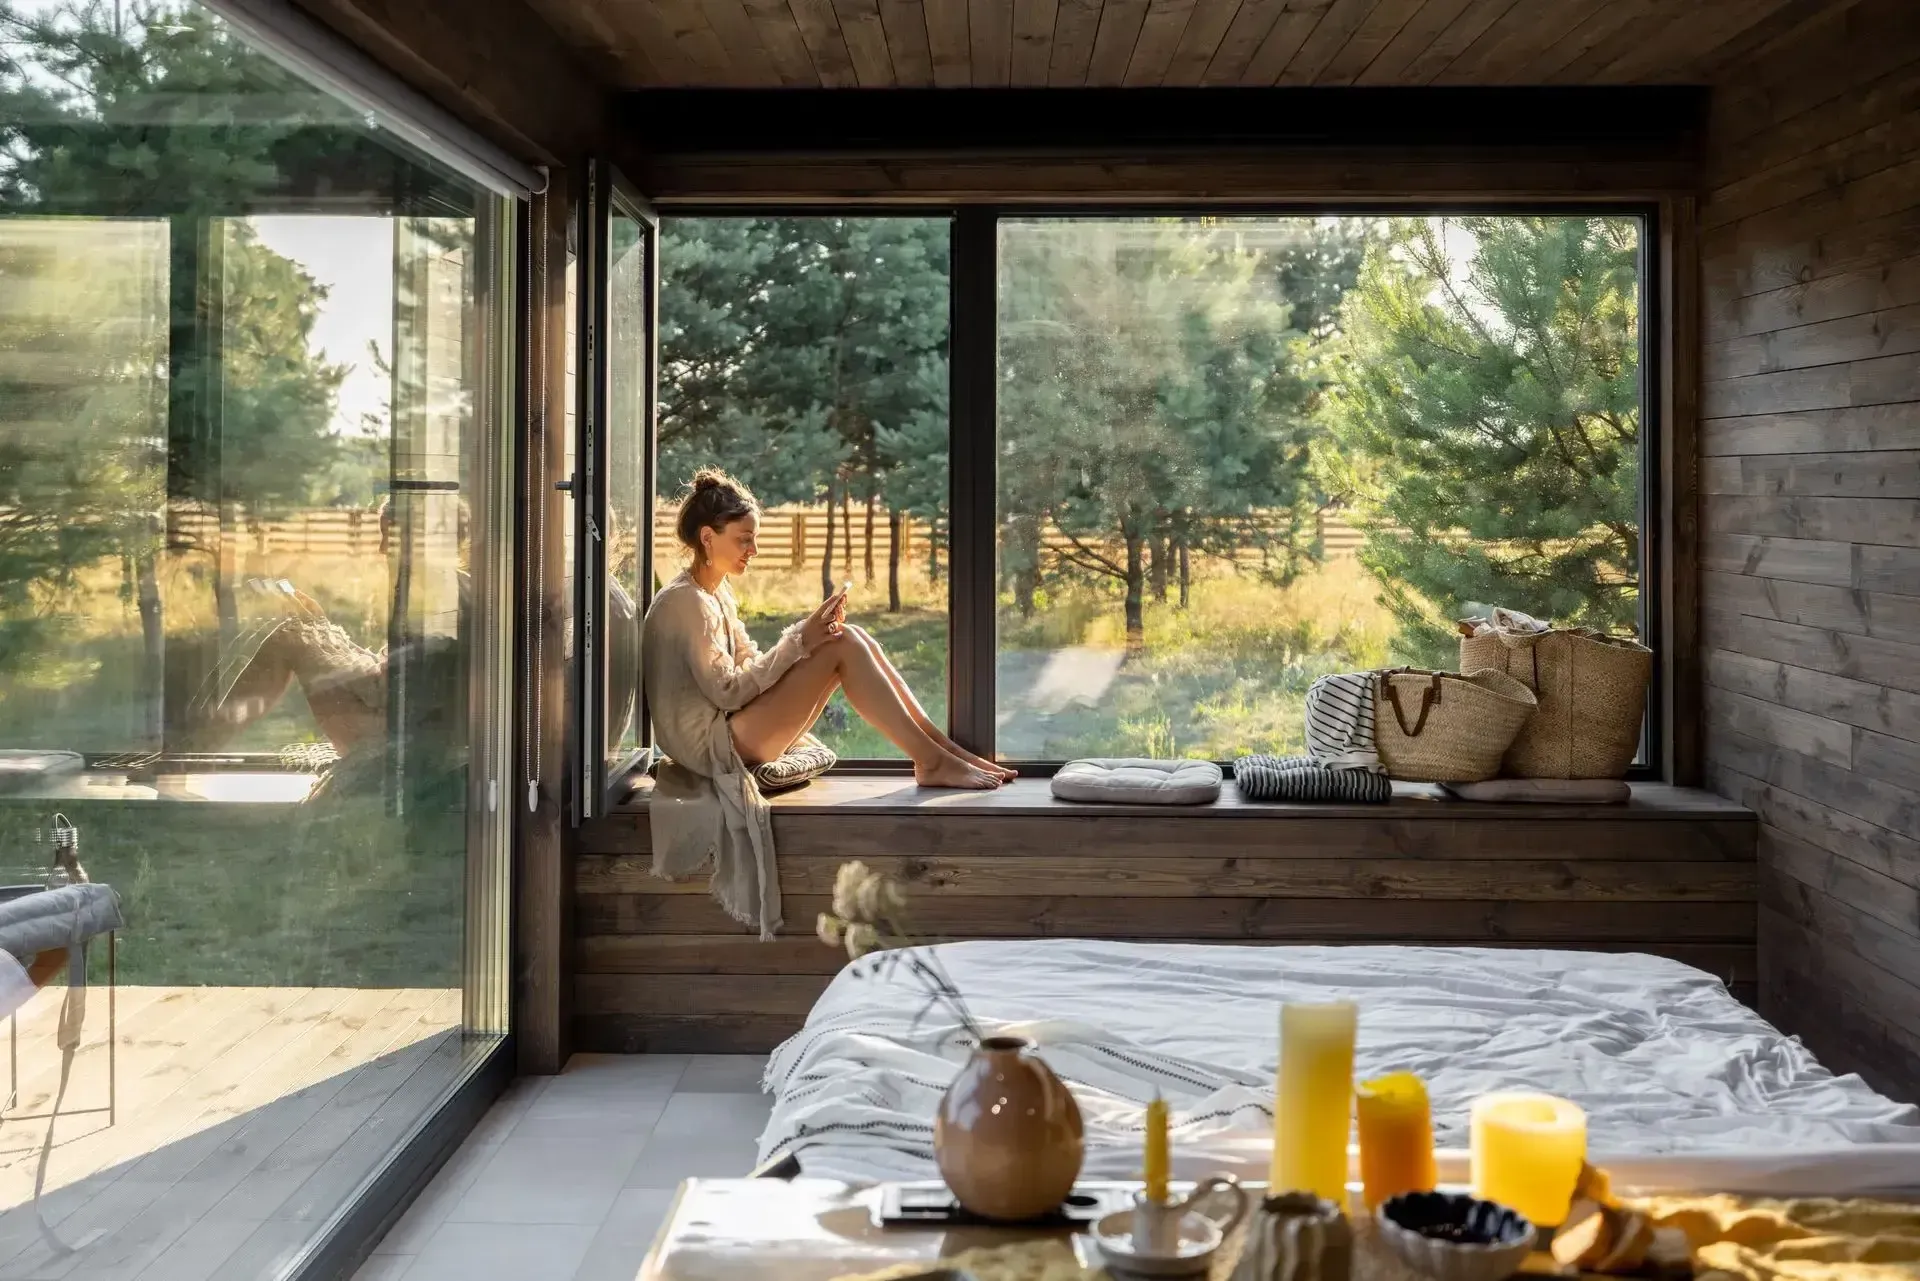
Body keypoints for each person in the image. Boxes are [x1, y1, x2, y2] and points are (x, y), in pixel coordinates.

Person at [643, 468, 1013, 790]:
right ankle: (932, 761)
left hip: (732, 726)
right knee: (841, 645)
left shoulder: (715, 589)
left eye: (754, 538)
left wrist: (807, 639)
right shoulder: (685, 602)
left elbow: (747, 662)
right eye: (744, 539)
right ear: (708, 537)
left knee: (847, 636)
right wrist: (801, 639)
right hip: (713, 748)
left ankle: (943, 751)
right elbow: (728, 693)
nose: (753, 549)